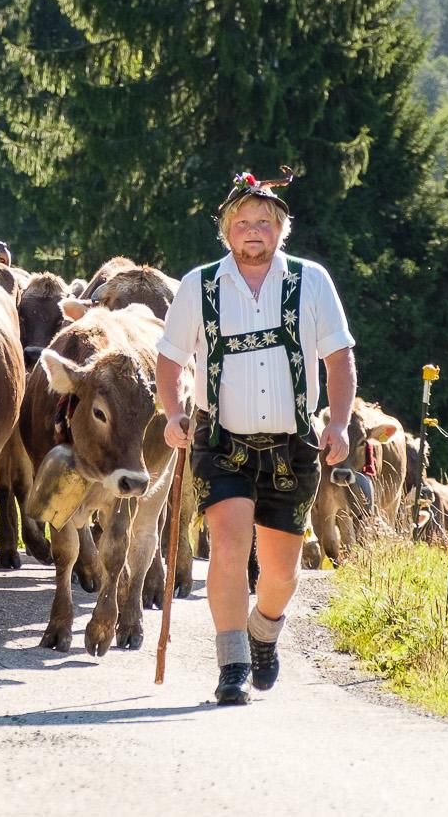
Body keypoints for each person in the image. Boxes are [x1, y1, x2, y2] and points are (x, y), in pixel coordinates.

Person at [158, 170, 355, 705]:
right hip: (222, 443)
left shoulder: (311, 281)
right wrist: (174, 413)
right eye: (242, 223)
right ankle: (232, 665)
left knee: (282, 575)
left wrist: (337, 423)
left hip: (293, 447)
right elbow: (171, 358)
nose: (252, 232)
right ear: (226, 231)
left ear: (280, 229)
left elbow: (339, 358)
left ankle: (264, 631)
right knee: (226, 547)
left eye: (263, 223)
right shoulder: (199, 286)